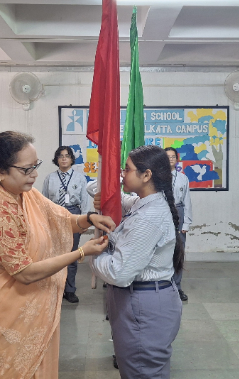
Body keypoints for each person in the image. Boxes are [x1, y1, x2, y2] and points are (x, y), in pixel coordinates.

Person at [0, 131, 114, 379]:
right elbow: (24, 273)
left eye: (35, 166)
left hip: (29, 307)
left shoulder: (26, 194)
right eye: (26, 169)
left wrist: (90, 218)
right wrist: (81, 252)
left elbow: (62, 220)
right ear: (1, 171)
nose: (35, 174)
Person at [91, 145, 184, 379]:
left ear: (146, 175)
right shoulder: (145, 202)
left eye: (127, 169)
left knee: (141, 372)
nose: (122, 174)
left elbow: (119, 273)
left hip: (143, 304)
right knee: (139, 370)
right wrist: (105, 181)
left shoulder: (148, 217)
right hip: (142, 300)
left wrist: (92, 254)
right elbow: (99, 189)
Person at [41, 145, 91, 304]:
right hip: (54, 214)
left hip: (73, 213)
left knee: (72, 253)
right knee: (55, 253)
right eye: (61, 156)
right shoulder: (50, 178)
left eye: (67, 156)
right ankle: (56, 289)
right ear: (57, 159)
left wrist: (85, 221)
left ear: (71, 159)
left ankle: (69, 290)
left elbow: (85, 200)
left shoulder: (80, 178)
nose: (64, 159)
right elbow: (43, 201)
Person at [165, 147, 192, 302]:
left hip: (179, 211)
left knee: (179, 251)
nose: (170, 159)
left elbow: (187, 202)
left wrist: (186, 223)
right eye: (167, 156)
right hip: (163, 211)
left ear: (177, 159)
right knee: (163, 249)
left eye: (173, 157)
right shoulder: (157, 177)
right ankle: (164, 285)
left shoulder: (183, 178)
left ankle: (177, 286)